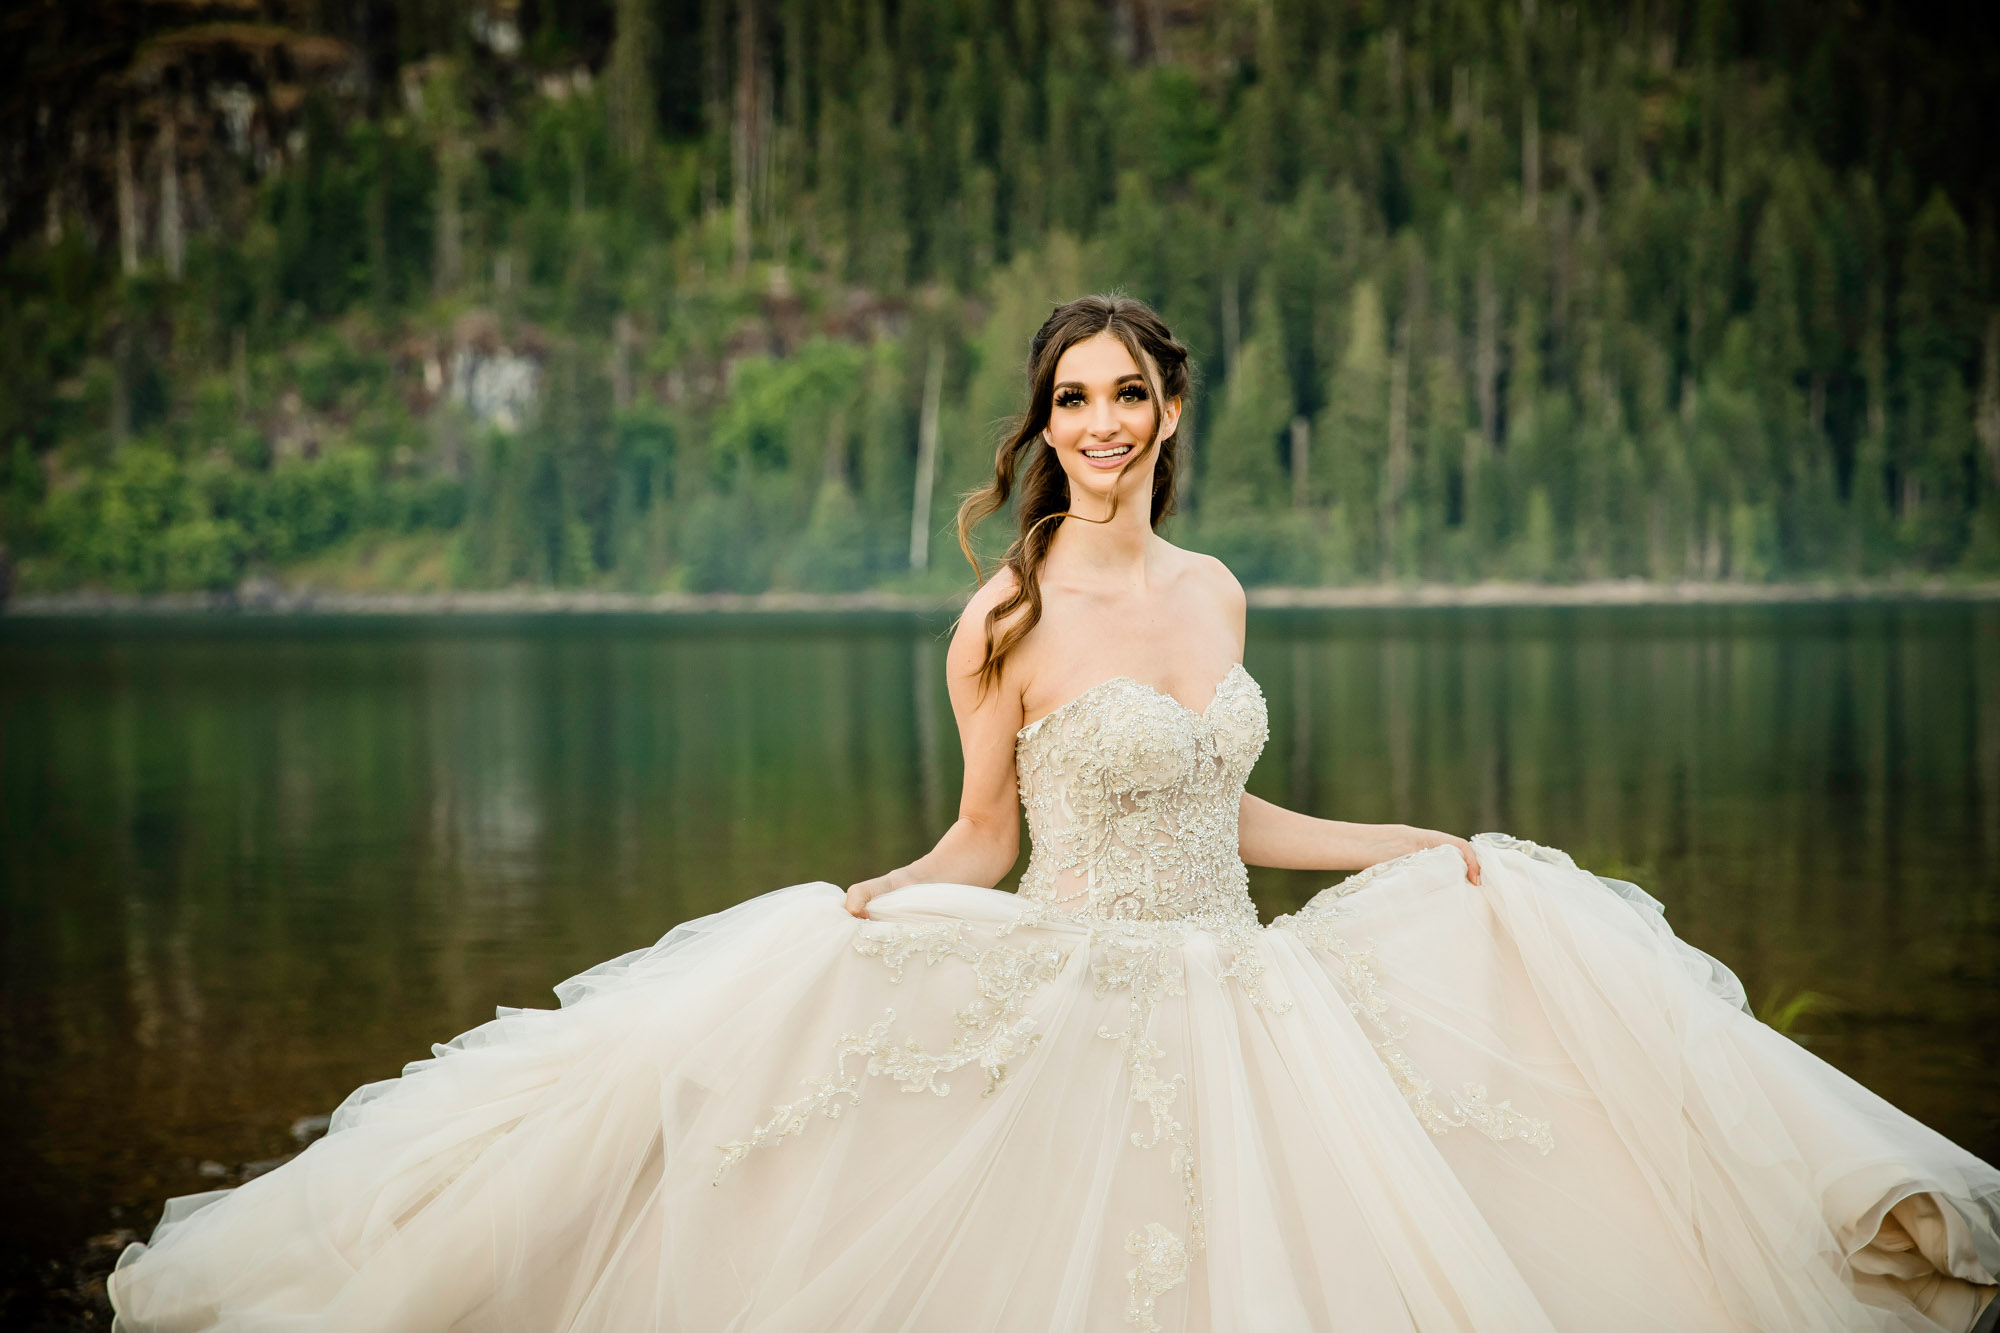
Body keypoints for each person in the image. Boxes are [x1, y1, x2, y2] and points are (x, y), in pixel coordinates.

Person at [110, 294, 2000, 1332]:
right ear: (1048, 425)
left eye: (1129, 394)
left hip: (1247, 993)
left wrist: (1414, 846)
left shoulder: (1221, 591)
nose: (1101, 422)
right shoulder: (1002, 614)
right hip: (1082, 993)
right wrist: (872, 903)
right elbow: (985, 846)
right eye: (1072, 399)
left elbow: (1234, 816)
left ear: (1171, 411)